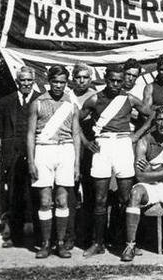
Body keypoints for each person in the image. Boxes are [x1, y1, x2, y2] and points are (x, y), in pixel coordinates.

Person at [79, 64, 150, 257]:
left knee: (126, 198)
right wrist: (85, 143)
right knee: (100, 199)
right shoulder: (94, 99)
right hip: (102, 147)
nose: (116, 84)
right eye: (113, 80)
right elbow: (74, 120)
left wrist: (137, 136)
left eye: (120, 81)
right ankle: (98, 243)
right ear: (105, 78)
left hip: (123, 146)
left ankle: (127, 243)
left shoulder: (129, 98)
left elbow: (151, 114)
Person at [121, 106, 163, 261]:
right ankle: (130, 245)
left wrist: (151, 172)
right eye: (160, 119)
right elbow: (139, 176)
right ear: (154, 121)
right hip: (151, 187)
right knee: (135, 193)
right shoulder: (144, 142)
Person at [26, 65, 81, 258]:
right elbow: (31, 134)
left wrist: (77, 164)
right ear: (48, 82)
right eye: (55, 81)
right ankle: (45, 243)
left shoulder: (71, 104)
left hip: (65, 150)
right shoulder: (38, 103)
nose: (58, 85)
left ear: (67, 83)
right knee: (45, 200)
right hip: (43, 150)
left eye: (62, 82)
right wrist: (31, 162)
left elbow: (75, 134)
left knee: (62, 199)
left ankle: (60, 243)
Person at [0, 66, 41, 248]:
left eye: (29, 80)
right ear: (17, 81)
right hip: (13, 156)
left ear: (34, 81)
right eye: (23, 80)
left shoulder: (41, 100)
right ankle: (15, 236)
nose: (26, 83)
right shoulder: (5, 102)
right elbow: (1, 129)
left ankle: (39, 237)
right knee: (15, 195)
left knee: (37, 194)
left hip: (37, 155)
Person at [65, 62, 97, 249]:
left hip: (91, 145)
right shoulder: (67, 96)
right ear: (73, 78)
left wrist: (87, 143)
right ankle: (69, 236)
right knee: (70, 191)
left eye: (85, 77)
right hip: (70, 143)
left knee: (91, 193)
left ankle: (89, 237)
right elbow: (71, 123)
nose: (82, 81)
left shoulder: (94, 96)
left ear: (91, 79)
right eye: (78, 77)